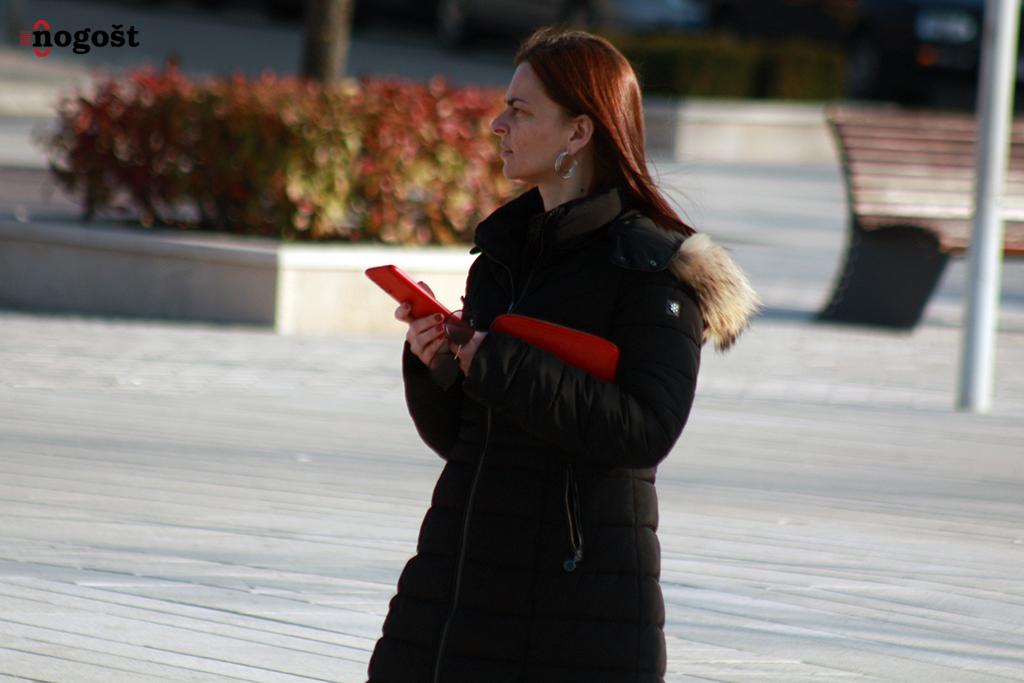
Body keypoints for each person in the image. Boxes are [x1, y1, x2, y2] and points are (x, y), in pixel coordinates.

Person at [366, 28, 760, 683]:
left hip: (577, 602)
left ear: (578, 132)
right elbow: (466, 439)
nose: (498, 125)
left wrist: (501, 363)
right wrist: (437, 364)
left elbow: (646, 428)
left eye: (520, 111)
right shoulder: (503, 253)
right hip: (458, 583)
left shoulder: (650, 270)